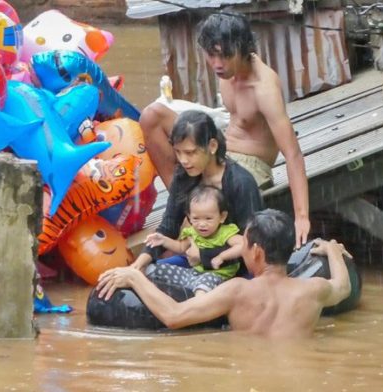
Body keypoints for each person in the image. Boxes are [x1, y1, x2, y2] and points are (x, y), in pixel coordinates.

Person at [139, 12, 311, 248]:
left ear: (243, 49)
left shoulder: (264, 88)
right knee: (151, 117)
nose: (218, 64)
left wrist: (301, 217)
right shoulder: (226, 73)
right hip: (222, 147)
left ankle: (196, 213)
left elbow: (293, 153)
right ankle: (187, 206)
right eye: (212, 55)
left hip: (251, 164)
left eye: (226, 55)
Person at [96, 209, 352, 339]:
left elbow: (174, 316)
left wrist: (135, 277)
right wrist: (332, 249)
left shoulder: (238, 291)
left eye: (245, 244)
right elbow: (343, 287)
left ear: (258, 253)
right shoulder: (314, 290)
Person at [130, 109, 263, 273]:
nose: (183, 160)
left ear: (212, 146)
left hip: (233, 269)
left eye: (190, 152)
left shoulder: (240, 183)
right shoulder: (184, 176)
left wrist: (204, 255)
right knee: (149, 272)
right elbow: (169, 226)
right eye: (178, 152)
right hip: (196, 262)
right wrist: (140, 262)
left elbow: (253, 244)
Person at [144, 185, 244, 295]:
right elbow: (180, 247)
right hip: (194, 274)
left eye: (208, 218)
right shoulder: (192, 232)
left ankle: (198, 306)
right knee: (151, 269)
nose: (202, 224)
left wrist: (222, 256)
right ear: (189, 217)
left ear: (222, 217)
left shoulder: (225, 232)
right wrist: (163, 240)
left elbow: (242, 244)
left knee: (202, 287)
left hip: (217, 278)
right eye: (196, 218)